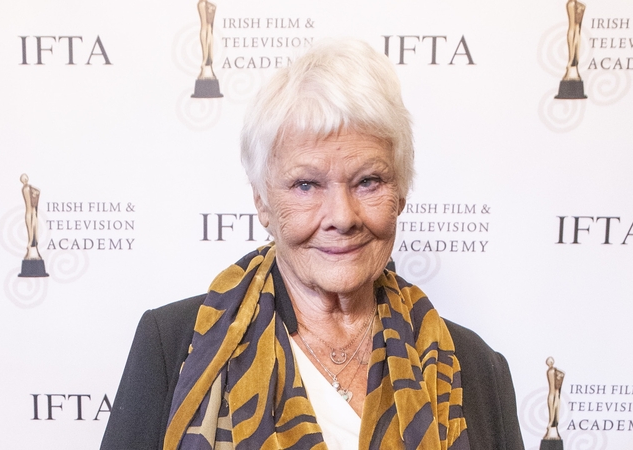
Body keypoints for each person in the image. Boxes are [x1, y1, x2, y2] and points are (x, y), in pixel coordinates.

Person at [101, 38, 524, 450]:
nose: (342, 217)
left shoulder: (475, 368)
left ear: (400, 195)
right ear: (262, 201)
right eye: (306, 185)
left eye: (368, 181)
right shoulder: (173, 346)